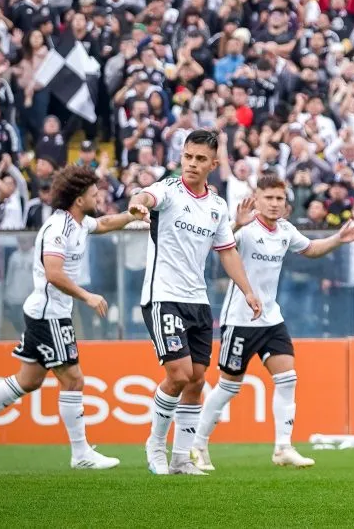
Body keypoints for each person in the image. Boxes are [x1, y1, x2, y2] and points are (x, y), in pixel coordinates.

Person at [0, 165, 144, 468]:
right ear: (79, 200)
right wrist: (87, 296)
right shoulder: (58, 229)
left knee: (28, 380)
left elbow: (106, 222)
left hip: (47, 312)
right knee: (74, 380)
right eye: (94, 194)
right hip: (49, 314)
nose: (98, 197)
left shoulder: (79, 223)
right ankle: (80, 454)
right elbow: (54, 274)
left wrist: (133, 215)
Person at [190, 175, 354, 471]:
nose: (274, 204)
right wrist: (235, 225)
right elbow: (212, 247)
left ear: (286, 203)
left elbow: (311, 249)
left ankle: (283, 447)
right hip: (240, 320)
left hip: (271, 319)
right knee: (229, 387)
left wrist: (338, 238)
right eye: (268, 198)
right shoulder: (245, 229)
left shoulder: (285, 230)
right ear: (257, 199)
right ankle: (197, 444)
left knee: (287, 379)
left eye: (279, 199)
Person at [126, 129, 262, 476]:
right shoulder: (168, 190)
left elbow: (227, 251)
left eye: (200, 159)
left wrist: (247, 290)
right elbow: (145, 195)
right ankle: (156, 445)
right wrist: (138, 203)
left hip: (197, 300)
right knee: (179, 373)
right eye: (188, 156)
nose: (192, 163)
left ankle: (181, 458)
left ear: (213, 165)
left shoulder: (216, 206)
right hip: (163, 296)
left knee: (197, 379)